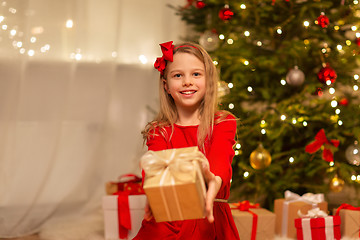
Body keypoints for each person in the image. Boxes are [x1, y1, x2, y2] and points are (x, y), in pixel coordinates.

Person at [133, 41, 240, 240]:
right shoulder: (159, 132)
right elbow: (154, 171)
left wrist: (212, 181)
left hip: (210, 222)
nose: (187, 82)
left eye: (196, 74)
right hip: (169, 222)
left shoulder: (223, 122)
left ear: (208, 82)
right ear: (166, 86)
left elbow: (220, 161)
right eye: (178, 75)